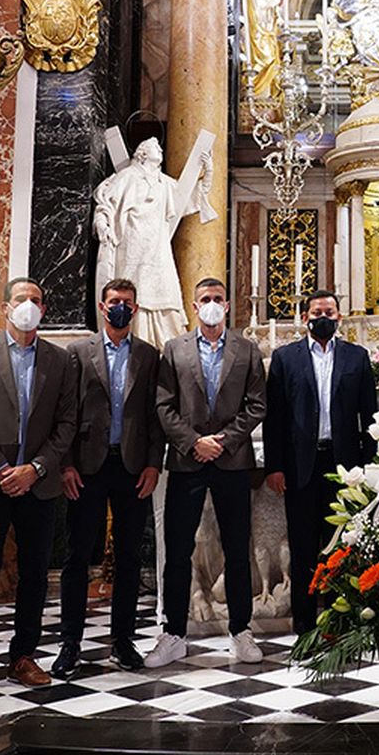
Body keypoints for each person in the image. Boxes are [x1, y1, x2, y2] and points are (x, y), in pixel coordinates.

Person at [0, 277, 79, 695]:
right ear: (5, 307)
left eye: (36, 300)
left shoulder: (59, 361)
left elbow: (67, 424)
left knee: (36, 574)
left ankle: (23, 655)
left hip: (37, 485)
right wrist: (4, 470)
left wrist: (35, 469)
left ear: (44, 310)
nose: (29, 305)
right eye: (21, 299)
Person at [147, 278, 266, 668]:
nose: (211, 305)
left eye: (217, 299)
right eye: (205, 300)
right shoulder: (174, 350)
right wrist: (194, 441)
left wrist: (225, 440)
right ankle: (173, 633)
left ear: (227, 306)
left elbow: (256, 405)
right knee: (179, 550)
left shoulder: (247, 350)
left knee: (238, 548)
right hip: (187, 460)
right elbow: (164, 406)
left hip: (232, 461)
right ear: (194, 307)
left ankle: (241, 630)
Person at [52, 279, 164, 678]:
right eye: (115, 302)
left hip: (132, 465)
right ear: (102, 307)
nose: (121, 309)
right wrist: (65, 464)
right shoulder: (78, 353)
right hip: (86, 466)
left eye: (128, 304)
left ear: (135, 310)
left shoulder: (150, 356)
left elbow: (155, 416)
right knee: (78, 557)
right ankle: (70, 644)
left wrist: (154, 462)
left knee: (132, 558)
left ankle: (123, 640)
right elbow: (64, 413)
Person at [264, 289, 378, 636]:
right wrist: (274, 466)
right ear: (305, 318)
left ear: (339, 317)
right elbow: (275, 417)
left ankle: (339, 619)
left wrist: (367, 466)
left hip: (345, 466)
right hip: (301, 466)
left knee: (341, 545)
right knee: (302, 546)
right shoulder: (285, 358)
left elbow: (369, 417)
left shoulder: (357, 357)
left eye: (330, 311)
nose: (323, 317)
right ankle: (304, 622)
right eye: (317, 312)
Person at [91, 137, 213, 347]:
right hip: (132, 246)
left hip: (157, 249)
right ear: (142, 153)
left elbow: (189, 199)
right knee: (134, 292)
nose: (160, 150)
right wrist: (102, 224)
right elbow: (106, 205)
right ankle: (135, 341)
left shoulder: (164, 182)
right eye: (155, 147)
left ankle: (168, 346)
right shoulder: (127, 177)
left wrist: (208, 172)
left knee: (166, 293)